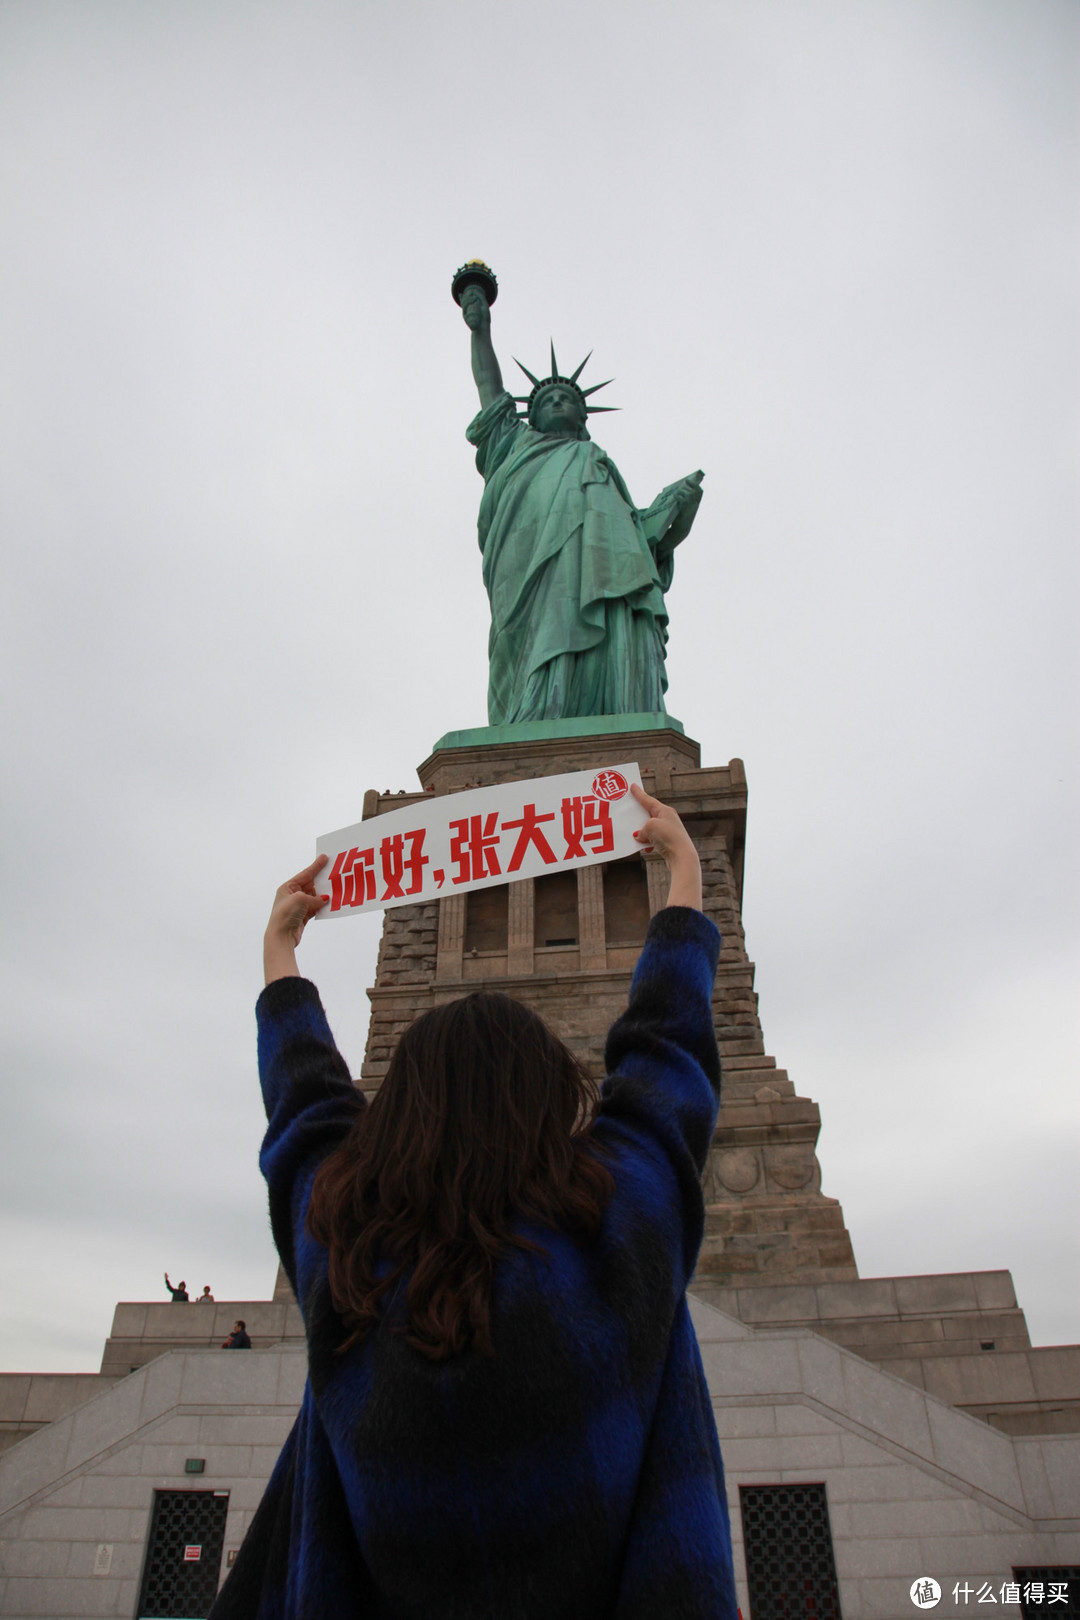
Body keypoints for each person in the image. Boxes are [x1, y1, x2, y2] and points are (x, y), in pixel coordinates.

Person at [209, 786, 738, 1620]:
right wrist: (682, 885)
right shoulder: (620, 1234)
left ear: (399, 1116)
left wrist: (281, 955)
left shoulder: (343, 1259)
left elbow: (306, 1109)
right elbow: (669, 1059)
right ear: (553, 1106)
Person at [460, 282, 705, 725]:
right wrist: (481, 331)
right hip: (529, 575)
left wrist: (677, 507)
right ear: (529, 416)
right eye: (547, 400)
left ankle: (614, 714)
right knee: (534, 642)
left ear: (582, 418)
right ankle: (535, 715)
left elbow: (641, 540)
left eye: (566, 400)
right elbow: (489, 389)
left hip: (601, 576)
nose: (556, 403)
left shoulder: (597, 463)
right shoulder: (513, 446)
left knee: (614, 618)